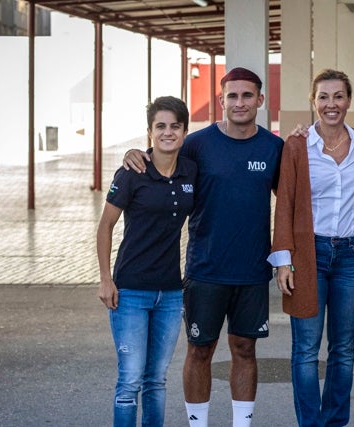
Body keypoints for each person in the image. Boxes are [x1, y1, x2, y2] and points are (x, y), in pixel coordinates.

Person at [123, 68, 284, 427]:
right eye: (232, 96)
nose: (239, 103)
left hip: (253, 271)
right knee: (200, 351)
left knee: (245, 349)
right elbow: (160, 156)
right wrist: (135, 152)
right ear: (221, 100)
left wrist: (285, 257)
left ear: (260, 100)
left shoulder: (274, 148)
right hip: (205, 270)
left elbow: (288, 205)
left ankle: (242, 423)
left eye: (247, 96)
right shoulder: (198, 144)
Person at [268, 69, 354, 427]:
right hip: (308, 255)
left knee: (343, 350)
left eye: (338, 96)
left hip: (353, 254)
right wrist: (283, 260)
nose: (331, 105)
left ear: (349, 100)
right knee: (304, 351)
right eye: (323, 97)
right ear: (312, 102)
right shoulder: (297, 146)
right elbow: (284, 203)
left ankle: (335, 421)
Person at [97, 96, 196, 427]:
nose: (168, 133)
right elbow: (105, 226)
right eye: (160, 126)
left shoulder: (190, 171)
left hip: (170, 293)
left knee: (157, 380)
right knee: (130, 380)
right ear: (150, 131)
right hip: (131, 292)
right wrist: (105, 279)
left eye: (175, 126)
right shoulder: (132, 171)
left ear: (184, 130)